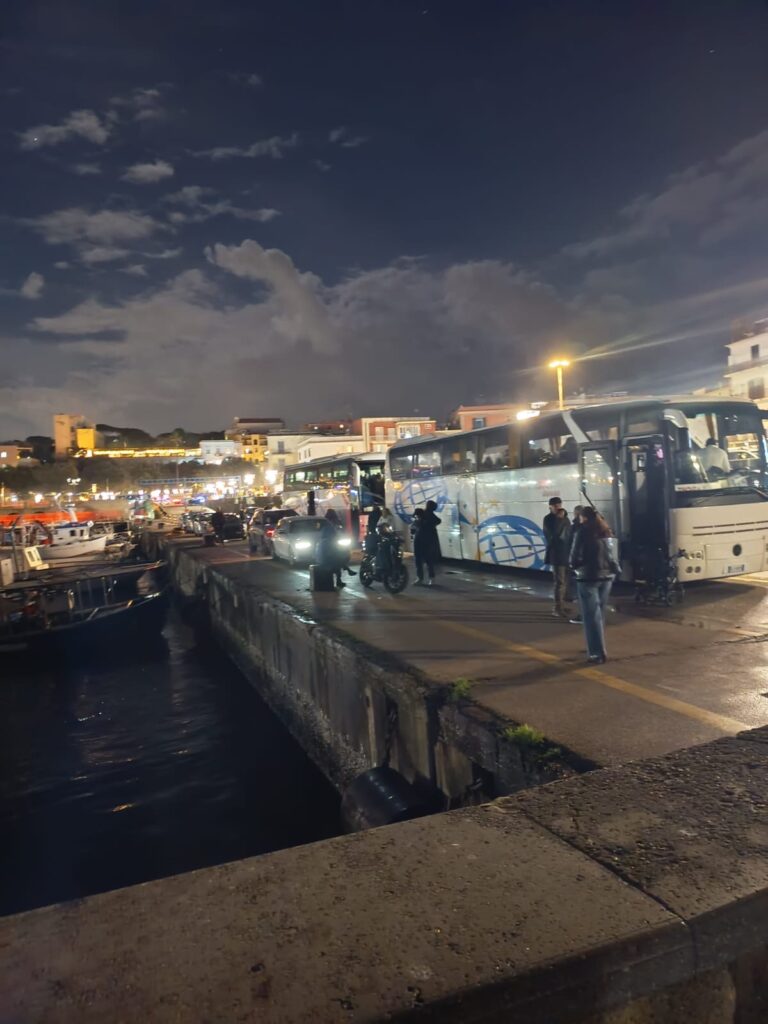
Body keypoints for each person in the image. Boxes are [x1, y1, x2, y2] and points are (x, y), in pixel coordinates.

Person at [569, 507, 620, 664]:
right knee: (599, 614)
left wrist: (575, 567)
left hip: (588, 577)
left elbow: (574, 556)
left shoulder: (582, 532)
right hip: (607, 577)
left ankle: (597, 653)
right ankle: (597, 647)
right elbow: (612, 555)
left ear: (584, 517)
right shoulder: (606, 531)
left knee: (591, 616)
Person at [543, 497, 572, 618]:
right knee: (559, 582)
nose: (558, 507)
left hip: (566, 553)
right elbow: (553, 534)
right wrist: (559, 519)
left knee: (565, 581)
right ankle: (557, 608)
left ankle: (562, 605)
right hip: (556, 554)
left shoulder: (565, 518)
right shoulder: (548, 519)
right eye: (555, 506)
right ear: (550, 507)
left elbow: (569, 533)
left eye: (559, 505)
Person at [414, 501, 441, 585]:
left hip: (419, 539)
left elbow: (416, 524)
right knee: (429, 560)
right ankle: (431, 578)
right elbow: (439, 521)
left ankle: (420, 578)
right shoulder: (431, 516)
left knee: (418, 559)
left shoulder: (423, 514)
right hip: (428, 540)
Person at [325, 508, 355, 577]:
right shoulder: (329, 522)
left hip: (335, 542)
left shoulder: (330, 521)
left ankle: (346, 570)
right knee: (337, 560)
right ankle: (347, 569)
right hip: (333, 544)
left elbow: (342, 530)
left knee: (338, 560)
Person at [317, 519, 347, 588]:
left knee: (338, 560)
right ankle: (339, 580)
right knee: (337, 563)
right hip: (326, 562)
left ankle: (346, 569)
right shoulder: (328, 541)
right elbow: (331, 554)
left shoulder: (322, 538)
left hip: (320, 560)